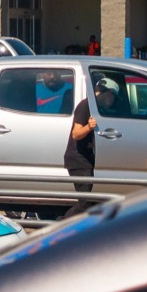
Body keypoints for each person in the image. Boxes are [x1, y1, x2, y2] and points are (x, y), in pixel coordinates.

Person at [63, 87, 98, 217]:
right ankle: (62, 224)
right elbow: (76, 134)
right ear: (108, 94)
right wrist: (89, 127)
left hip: (88, 160)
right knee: (85, 204)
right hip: (79, 160)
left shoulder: (95, 107)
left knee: (88, 202)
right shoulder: (86, 105)